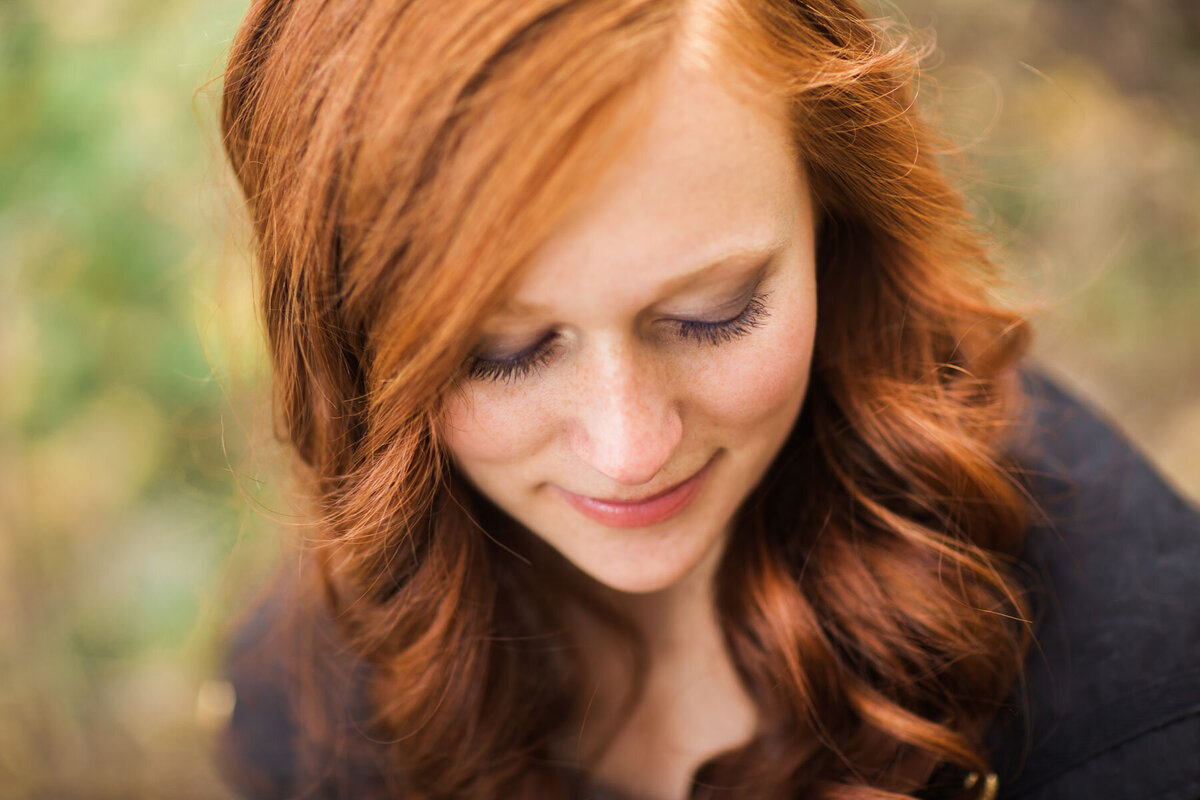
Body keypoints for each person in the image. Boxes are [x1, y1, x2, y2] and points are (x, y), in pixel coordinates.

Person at [215, 1, 1200, 798]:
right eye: (501, 351)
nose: (630, 445)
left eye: (711, 312)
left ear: (831, 215)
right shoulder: (311, 692)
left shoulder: (1145, 690)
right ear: (350, 347)